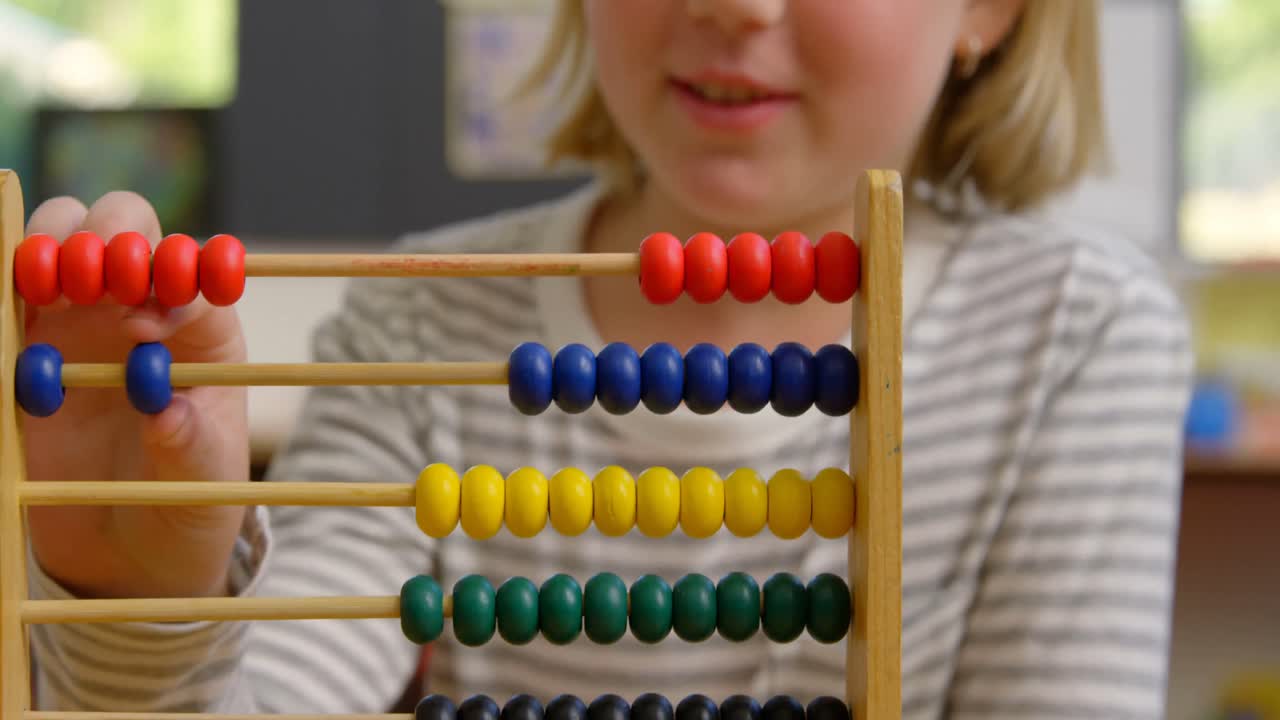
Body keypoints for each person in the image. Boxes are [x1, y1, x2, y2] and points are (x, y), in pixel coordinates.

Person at [21, 1, 1193, 718]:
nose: (729, 4)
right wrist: (149, 597)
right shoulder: (425, 324)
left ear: (989, 6)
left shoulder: (1071, 340)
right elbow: (274, 695)